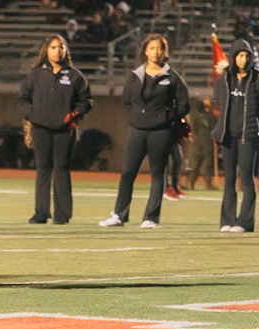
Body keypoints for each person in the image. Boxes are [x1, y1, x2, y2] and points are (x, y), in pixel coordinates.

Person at [99, 35, 190, 228]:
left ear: (164, 51)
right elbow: (126, 101)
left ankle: (150, 217)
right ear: (145, 51)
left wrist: (167, 117)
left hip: (161, 132)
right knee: (127, 173)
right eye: (152, 48)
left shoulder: (172, 77)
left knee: (157, 174)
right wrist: (136, 117)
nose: (156, 52)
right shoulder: (136, 75)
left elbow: (184, 104)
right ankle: (119, 215)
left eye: (159, 48)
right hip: (137, 131)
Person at [17, 36, 92, 225]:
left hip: (65, 130)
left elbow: (86, 101)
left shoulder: (75, 76)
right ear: (46, 50)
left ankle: (62, 215)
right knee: (43, 168)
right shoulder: (35, 75)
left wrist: (76, 114)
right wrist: (32, 115)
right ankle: (41, 213)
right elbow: (22, 99)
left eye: (61, 47)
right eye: (53, 47)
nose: (57, 51)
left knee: (61, 168)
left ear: (66, 51)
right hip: (40, 128)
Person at [212, 39, 259, 233]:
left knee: (246, 176)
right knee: (229, 177)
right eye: (240, 55)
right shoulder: (224, 79)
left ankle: (245, 221)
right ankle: (227, 220)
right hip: (227, 135)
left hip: (249, 135)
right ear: (233, 56)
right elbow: (219, 101)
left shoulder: (257, 80)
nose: (243, 60)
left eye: (246, 56)